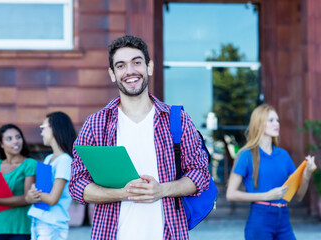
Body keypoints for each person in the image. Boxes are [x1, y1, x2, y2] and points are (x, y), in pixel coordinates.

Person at [69, 35, 210, 240]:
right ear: (112, 74)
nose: (130, 71)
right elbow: (77, 185)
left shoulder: (176, 120)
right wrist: (123, 193)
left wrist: (161, 190)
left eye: (137, 62)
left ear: (149, 67)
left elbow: (201, 174)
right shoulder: (96, 124)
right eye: (121, 65)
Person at [226, 104, 317, 240]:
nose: (277, 124)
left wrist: (307, 174)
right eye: (271, 120)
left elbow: (298, 196)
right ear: (258, 124)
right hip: (260, 220)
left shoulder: (283, 155)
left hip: (284, 219)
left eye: (277, 120)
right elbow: (231, 194)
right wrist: (266, 196)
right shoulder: (246, 155)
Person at [25, 112, 77, 240]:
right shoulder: (49, 158)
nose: (41, 133)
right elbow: (42, 191)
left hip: (52, 224)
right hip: (39, 220)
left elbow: (53, 199)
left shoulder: (65, 160)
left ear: (54, 128)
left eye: (43, 128)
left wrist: (35, 193)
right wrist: (32, 195)